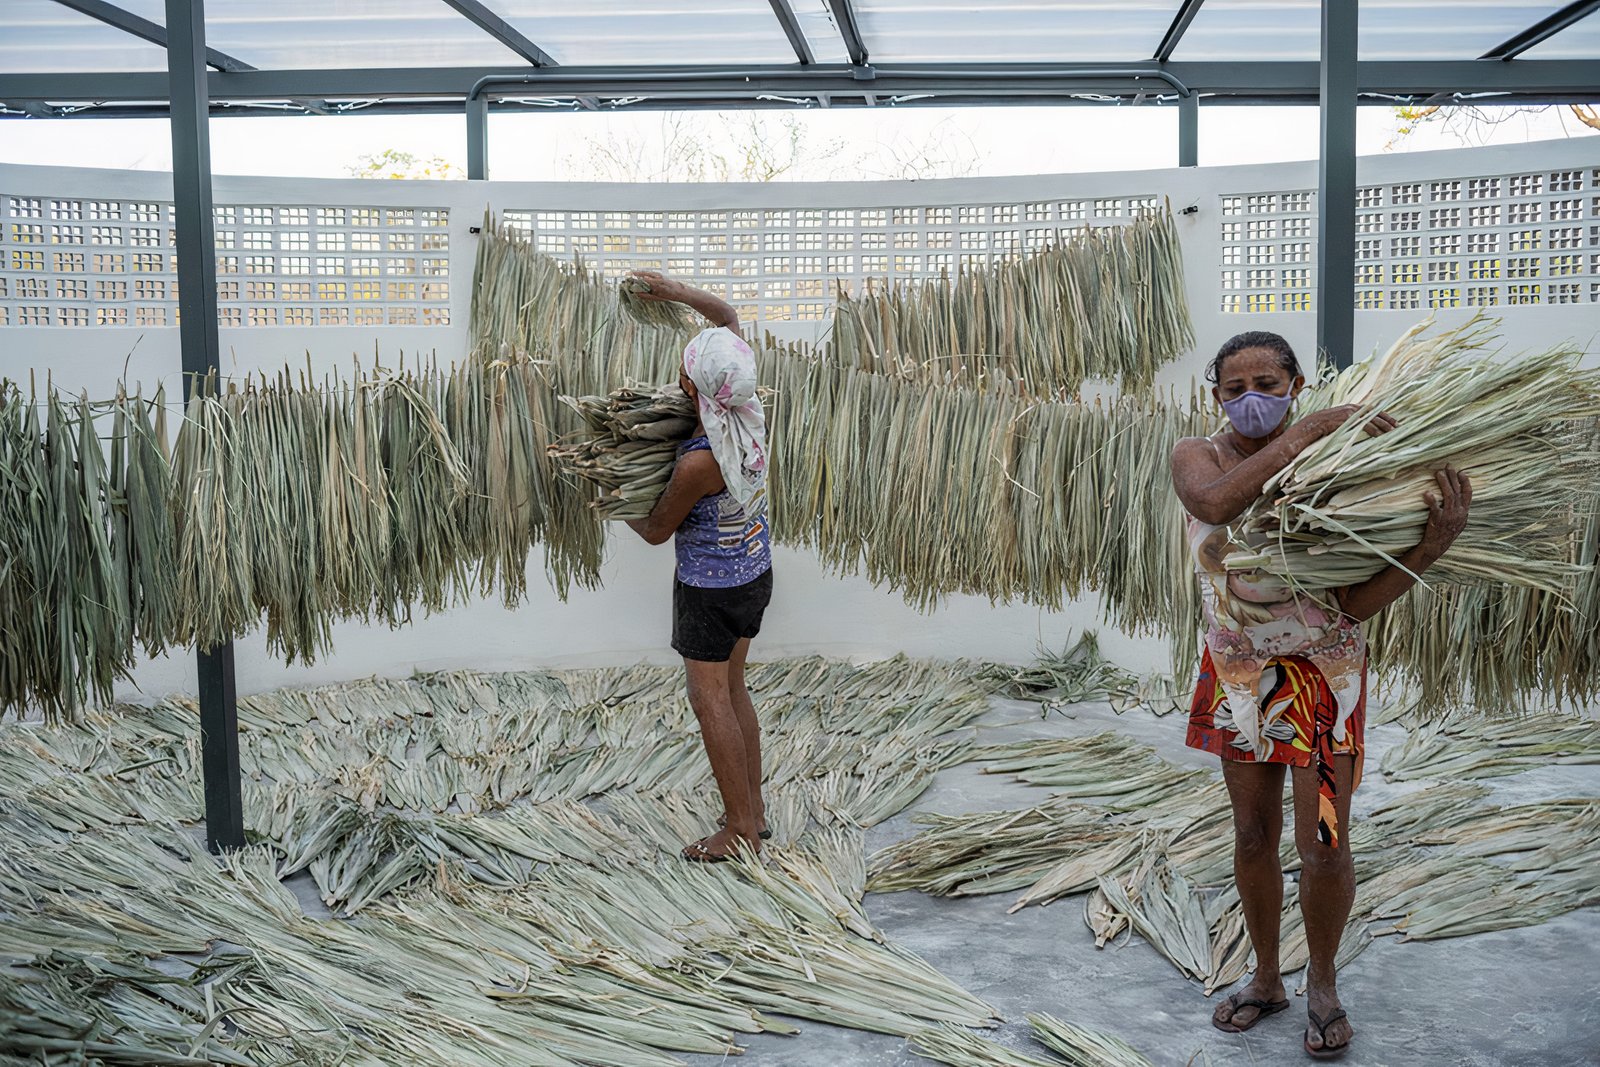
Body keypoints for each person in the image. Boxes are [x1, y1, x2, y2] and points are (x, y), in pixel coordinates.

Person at [1170, 331, 1470, 1061]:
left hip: (1325, 689)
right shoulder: (1198, 454)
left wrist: (1428, 549)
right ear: (1216, 396)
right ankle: (1268, 976)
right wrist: (1309, 430)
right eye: (1236, 386)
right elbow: (1211, 500)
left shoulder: (1340, 472)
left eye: (1268, 383)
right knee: (1251, 836)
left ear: (1295, 382)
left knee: (1326, 843)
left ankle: (1324, 984)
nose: (1251, 399)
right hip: (1239, 683)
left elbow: (1348, 604)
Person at [622, 271, 773, 863]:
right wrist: (678, 295)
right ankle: (752, 813)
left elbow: (658, 530)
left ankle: (738, 830)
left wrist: (613, 500)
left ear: (691, 385)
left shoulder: (699, 463)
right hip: (754, 573)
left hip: (710, 590)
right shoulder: (744, 400)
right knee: (734, 689)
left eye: (685, 366)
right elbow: (728, 320)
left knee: (709, 696)